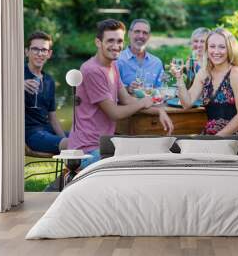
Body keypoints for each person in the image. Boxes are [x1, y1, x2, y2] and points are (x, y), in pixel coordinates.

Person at [67, 19, 174, 168]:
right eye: (110, 41)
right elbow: (115, 113)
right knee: (143, 165)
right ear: (98, 42)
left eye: (119, 41)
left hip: (103, 145)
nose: (116, 46)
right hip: (87, 152)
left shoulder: (112, 66)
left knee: (153, 157)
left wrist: (159, 110)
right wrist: (144, 102)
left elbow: (127, 100)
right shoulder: (91, 70)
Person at [171, 28, 238, 135]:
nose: (216, 51)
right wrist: (179, 78)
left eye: (222, 47)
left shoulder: (236, 74)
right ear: (207, 49)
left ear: (230, 49)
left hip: (234, 137)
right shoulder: (204, 73)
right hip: (210, 135)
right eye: (212, 46)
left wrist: (215, 139)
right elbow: (187, 103)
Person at [24, 31, 68, 154]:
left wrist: (64, 140)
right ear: (26, 51)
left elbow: (53, 118)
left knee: (84, 137)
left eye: (44, 50)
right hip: (31, 134)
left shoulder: (49, 80)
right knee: (73, 143)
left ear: (49, 54)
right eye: (35, 49)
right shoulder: (17, 73)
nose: (40, 53)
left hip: (47, 129)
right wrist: (18, 84)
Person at [117, 19, 164, 95]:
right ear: (129, 34)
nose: (141, 36)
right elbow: (110, 90)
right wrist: (127, 89)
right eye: (137, 31)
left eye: (145, 33)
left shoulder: (157, 63)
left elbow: (162, 90)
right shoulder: (117, 60)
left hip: (152, 106)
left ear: (149, 36)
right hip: (126, 106)